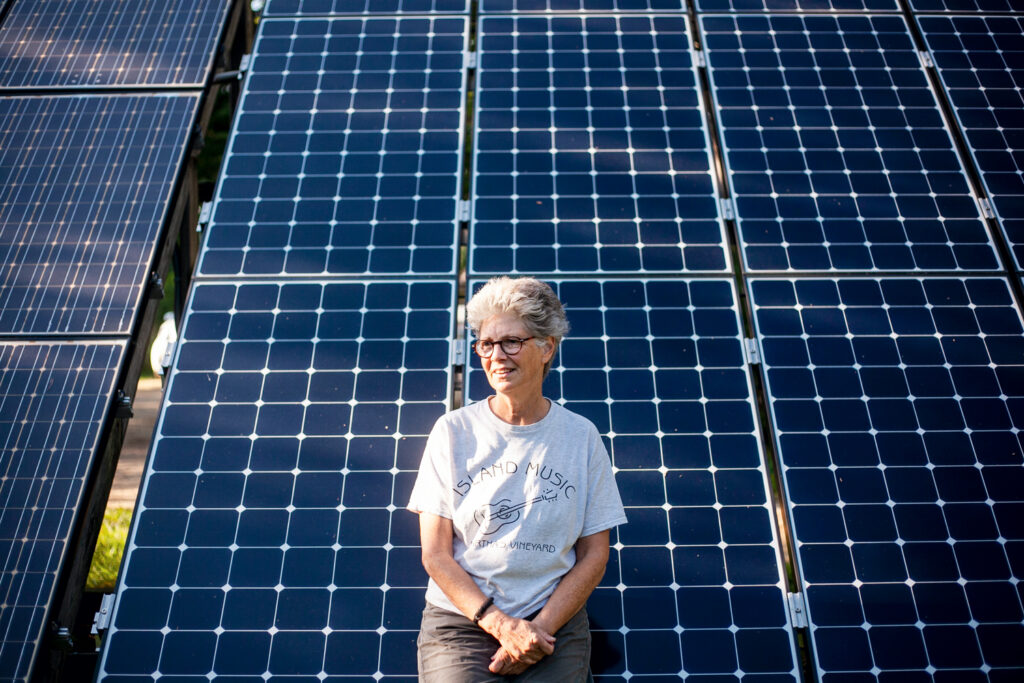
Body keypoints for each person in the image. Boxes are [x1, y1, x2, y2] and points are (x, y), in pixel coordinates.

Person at [407, 276, 627, 682]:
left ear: (547, 348)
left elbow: (594, 554)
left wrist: (538, 629)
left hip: (553, 625)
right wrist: (501, 625)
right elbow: (435, 554)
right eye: (486, 345)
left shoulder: (581, 437)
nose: (496, 356)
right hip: (461, 623)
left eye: (511, 341)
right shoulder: (452, 432)